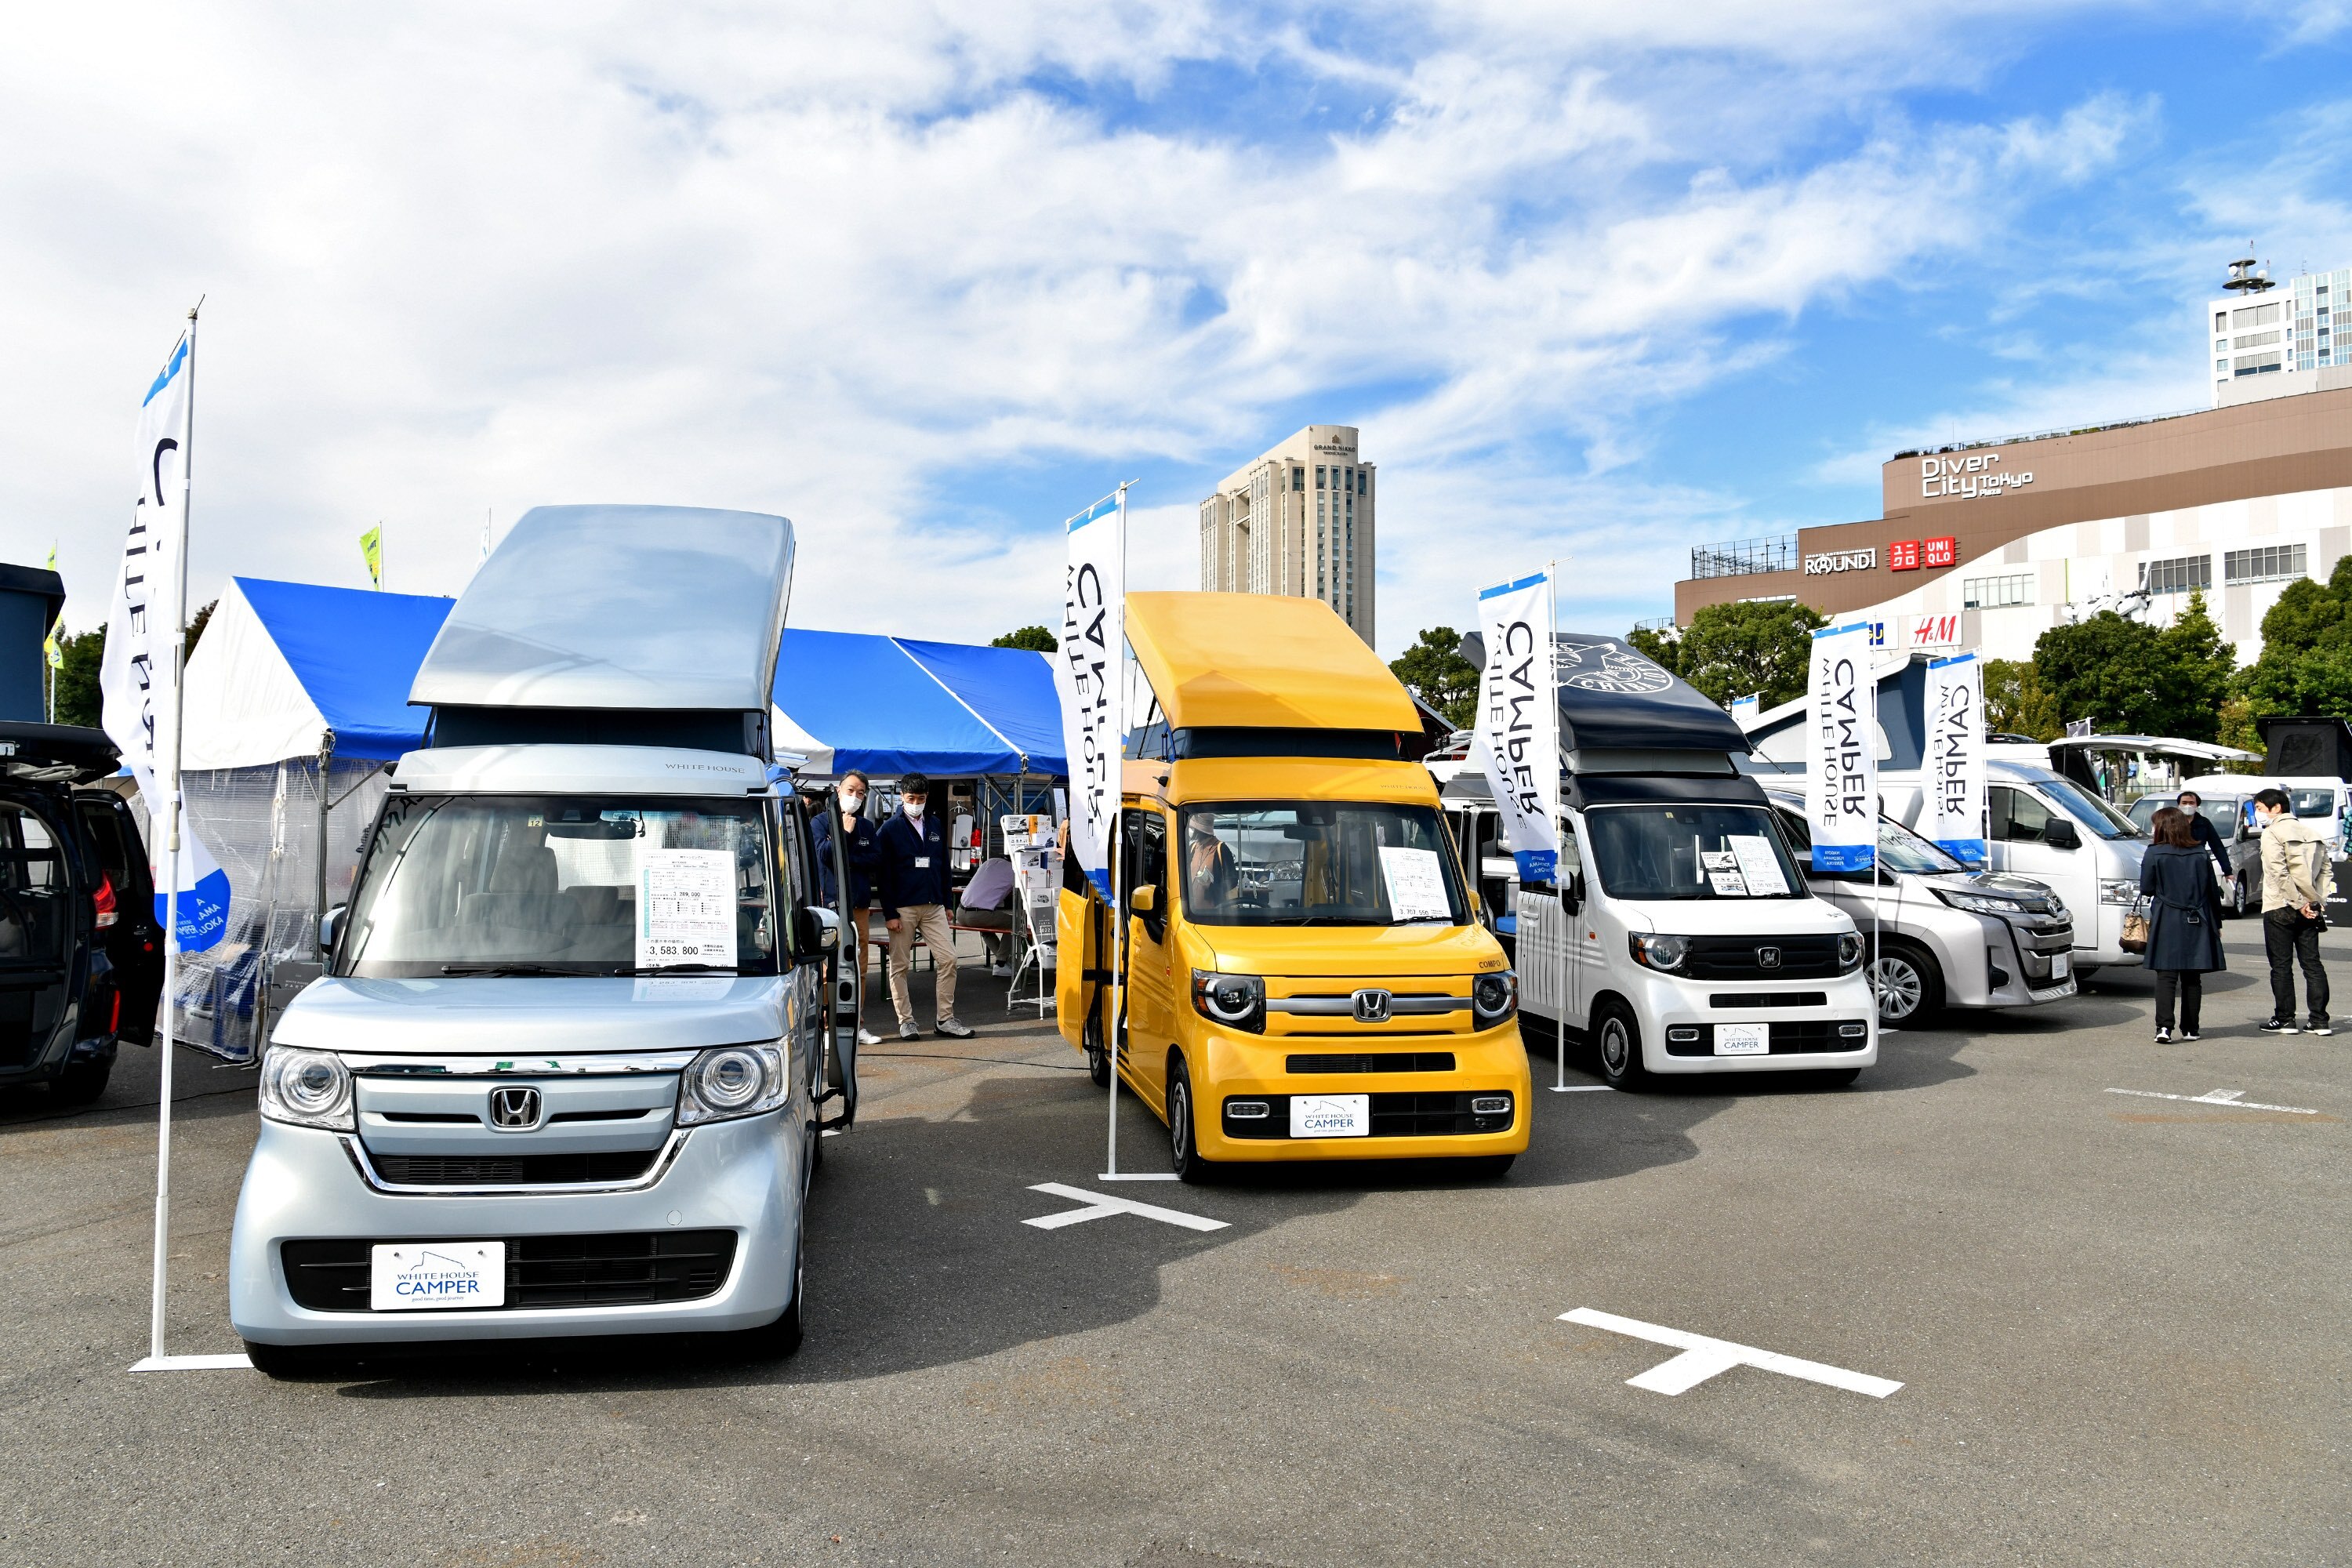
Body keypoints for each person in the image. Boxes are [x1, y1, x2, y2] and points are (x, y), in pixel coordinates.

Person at [875, 773, 974, 1040]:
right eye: (911, 798)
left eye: (920, 798)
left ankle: (945, 1019)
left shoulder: (934, 824)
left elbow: (943, 865)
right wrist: (890, 913)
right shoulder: (889, 829)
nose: (916, 803)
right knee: (900, 966)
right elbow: (883, 875)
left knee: (949, 959)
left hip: (933, 906)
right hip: (903, 908)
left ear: (927, 797)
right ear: (901, 797)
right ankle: (906, 1021)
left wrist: (947, 901)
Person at [2139, 808, 2225, 1044]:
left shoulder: (2154, 853)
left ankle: (2164, 1028)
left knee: (2166, 975)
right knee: (2192, 976)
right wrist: (2217, 922)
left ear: (2164, 827)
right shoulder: (2200, 852)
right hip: (2199, 917)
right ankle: (2191, 1029)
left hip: (2167, 917)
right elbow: (2212, 892)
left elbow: (2146, 888)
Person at [811, 771, 883, 1048]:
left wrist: (848, 853)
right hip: (830, 905)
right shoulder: (819, 822)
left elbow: (875, 859)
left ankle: (857, 1024)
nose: (855, 797)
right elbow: (825, 855)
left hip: (859, 904)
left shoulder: (866, 826)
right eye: (850, 790)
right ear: (838, 790)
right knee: (831, 967)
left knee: (859, 966)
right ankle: (828, 1026)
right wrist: (844, 833)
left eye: (861, 793)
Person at [2253, 786, 2332, 1035]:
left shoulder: (2272, 833)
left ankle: (2285, 1018)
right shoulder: (2312, 832)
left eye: (2259, 808)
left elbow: (2278, 872)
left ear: (2276, 808)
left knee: (2281, 966)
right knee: (2312, 965)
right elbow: (2326, 872)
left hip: (2281, 906)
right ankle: (2319, 1020)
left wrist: (2299, 903)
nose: (2258, 813)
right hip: (2310, 907)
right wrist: (2315, 900)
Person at [2174, 790, 2233, 904]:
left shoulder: (2204, 823)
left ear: (2197, 805)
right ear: (2179, 804)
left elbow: (2217, 847)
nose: (2188, 806)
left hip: (2199, 864)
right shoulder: (2171, 822)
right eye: (2184, 802)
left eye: (2191, 803)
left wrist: (2227, 871)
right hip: (2177, 863)